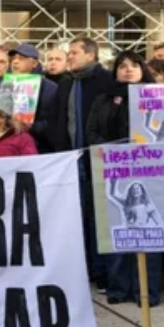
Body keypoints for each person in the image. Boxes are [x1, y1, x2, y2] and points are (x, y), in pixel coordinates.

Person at [87, 51, 161, 307]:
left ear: (143, 69)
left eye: (134, 65)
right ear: (115, 71)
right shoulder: (103, 99)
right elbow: (91, 131)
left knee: (146, 235)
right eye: (122, 66)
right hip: (112, 166)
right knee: (117, 229)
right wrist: (114, 151)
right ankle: (118, 288)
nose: (128, 70)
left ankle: (147, 291)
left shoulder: (156, 97)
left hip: (148, 169)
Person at [55, 36, 115, 291]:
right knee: (75, 217)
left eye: (74, 53)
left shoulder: (106, 81)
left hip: (98, 158)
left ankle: (101, 273)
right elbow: (59, 120)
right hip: (70, 159)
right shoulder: (66, 83)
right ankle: (83, 270)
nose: (70, 57)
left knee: (98, 218)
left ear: (91, 55)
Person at [9, 44, 59, 154]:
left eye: (21, 58)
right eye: (14, 58)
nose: (15, 62)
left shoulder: (50, 88)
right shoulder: (5, 85)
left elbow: (54, 121)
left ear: (34, 63)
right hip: (11, 147)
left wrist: (32, 127)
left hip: (40, 149)